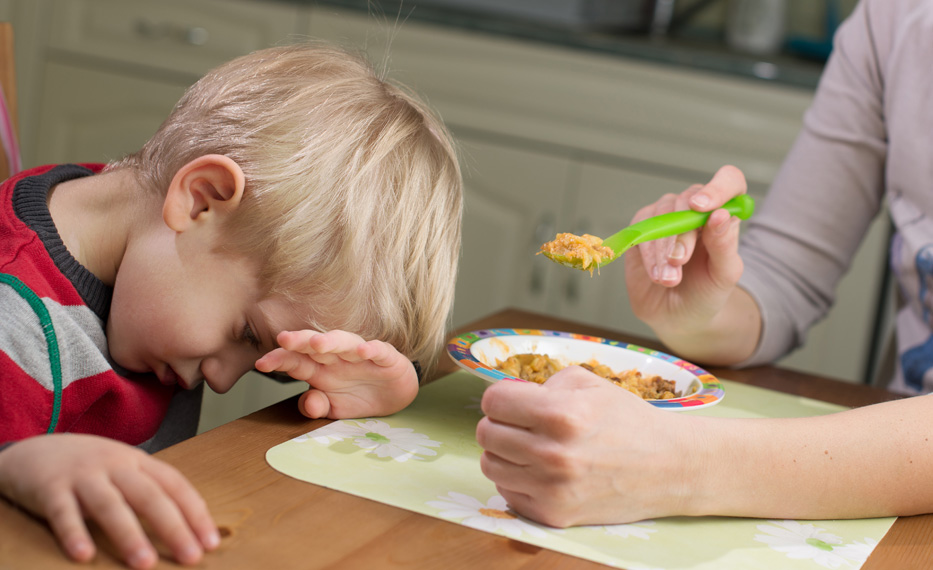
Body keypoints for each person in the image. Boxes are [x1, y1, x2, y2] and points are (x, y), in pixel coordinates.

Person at [0, 42, 462, 568]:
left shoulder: (127, 220)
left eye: (273, 368)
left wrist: (367, 388)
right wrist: (12, 465)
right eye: (247, 335)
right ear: (201, 199)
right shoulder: (13, 319)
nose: (222, 383)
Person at [476, 0, 933, 528]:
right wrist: (704, 312)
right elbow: (789, 277)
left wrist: (680, 465)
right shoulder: (892, 22)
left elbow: (685, 464)